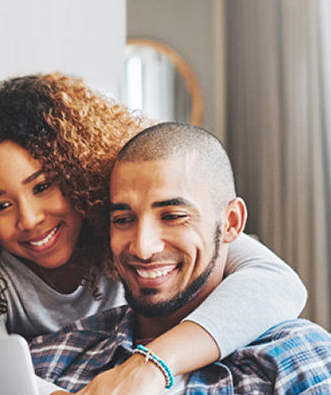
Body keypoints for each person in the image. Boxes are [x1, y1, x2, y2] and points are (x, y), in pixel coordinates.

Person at [0, 73, 307, 394]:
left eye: (43, 185)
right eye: (0, 205)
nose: (29, 219)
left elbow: (277, 284)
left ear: (79, 174)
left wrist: (151, 364)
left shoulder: (130, 229)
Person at [30, 122, 331, 394]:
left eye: (173, 216)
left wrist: (151, 365)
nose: (142, 248)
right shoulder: (50, 360)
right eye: (123, 219)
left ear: (232, 222)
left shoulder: (300, 360)